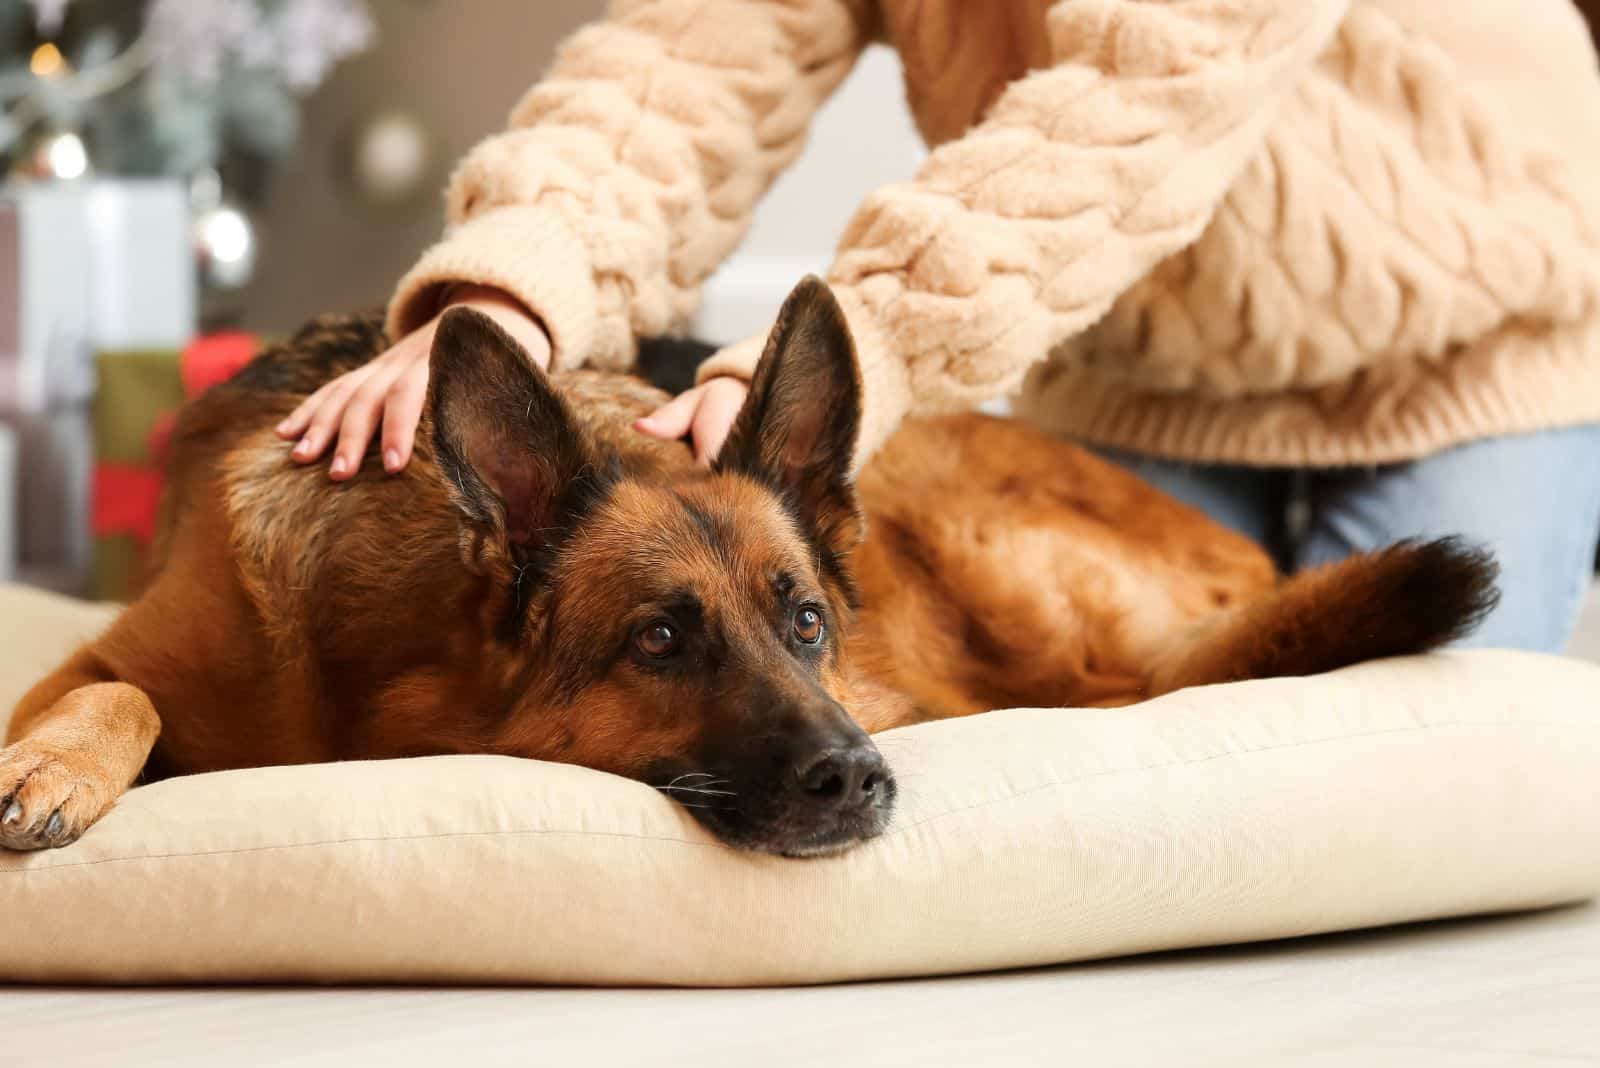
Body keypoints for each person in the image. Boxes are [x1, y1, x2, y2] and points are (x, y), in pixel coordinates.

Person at [275, 0, 1600, 653]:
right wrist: (518, 281)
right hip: (1130, 369)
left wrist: (858, 348)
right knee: (1059, 741)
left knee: (1403, 759)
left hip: (1483, 333)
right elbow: (681, 70)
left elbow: (1137, 116)